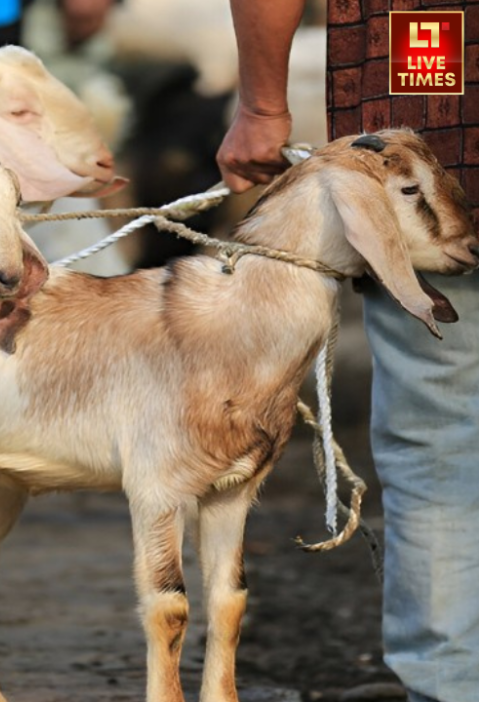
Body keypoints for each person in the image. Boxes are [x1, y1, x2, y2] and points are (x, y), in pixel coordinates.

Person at [218, 2, 479, 701]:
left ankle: (449, 686)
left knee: (438, 437)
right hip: (434, 119)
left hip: (434, 97)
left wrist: (262, 105)